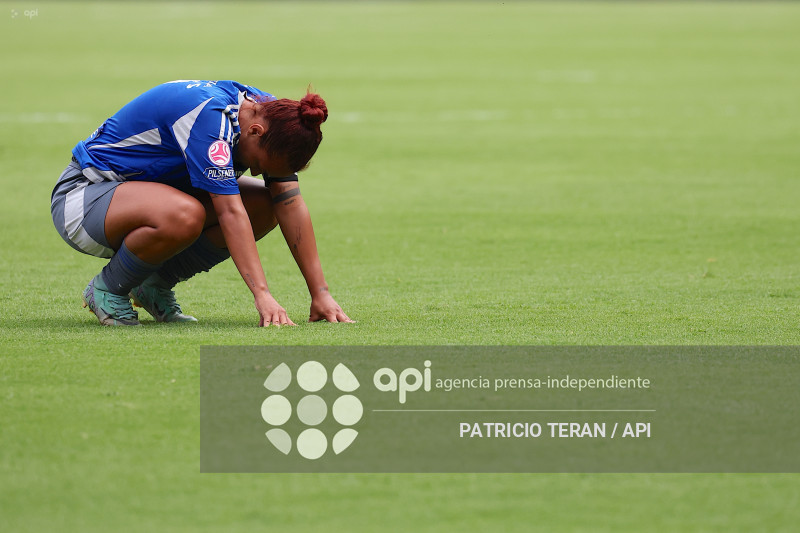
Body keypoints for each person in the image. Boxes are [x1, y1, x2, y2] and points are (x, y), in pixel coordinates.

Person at [51, 79, 353, 327]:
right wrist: (262, 295)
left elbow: (289, 203)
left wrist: (320, 293)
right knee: (185, 214)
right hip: (84, 200)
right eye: (260, 163)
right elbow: (230, 211)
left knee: (265, 204)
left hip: (147, 201)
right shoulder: (209, 117)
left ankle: (153, 285)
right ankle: (108, 287)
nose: (256, 172)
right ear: (255, 132)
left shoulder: (275, 118)